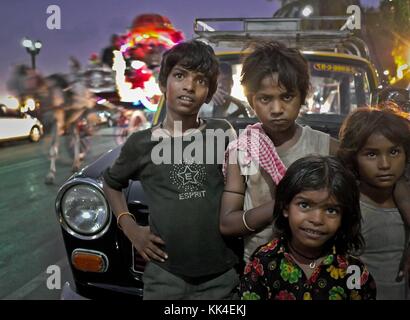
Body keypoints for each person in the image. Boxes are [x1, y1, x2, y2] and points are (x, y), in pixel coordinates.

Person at [102, 40, 239, 300]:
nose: (189, 86)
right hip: (165, 276)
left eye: (200, 80)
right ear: (164, 83)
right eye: (179, 76)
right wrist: (130, 227)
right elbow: (112, 183)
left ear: (209, 92)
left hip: (221, 276)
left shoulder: (222, 133)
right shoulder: (140, 143)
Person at [220, 41, 339, 263]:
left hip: (317, 268)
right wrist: (282, 204)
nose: (276, 109)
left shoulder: (327, 148)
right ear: (251, 101)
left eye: (286, 97)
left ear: (302, 96)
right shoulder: (243, 150)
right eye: (265, 99)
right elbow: (228, 224)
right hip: (260, 271)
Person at [239, 155, 377, 300]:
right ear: (286, 207)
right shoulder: (263, 263)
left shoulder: (352, 270)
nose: (317, 220)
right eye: (304, 205)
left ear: (344, 216)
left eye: (331, 210)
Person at [338, 107, 410, 300]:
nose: (385, 164)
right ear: (353, 158)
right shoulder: (345, 205)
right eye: (371, 154)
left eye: (394, 152)